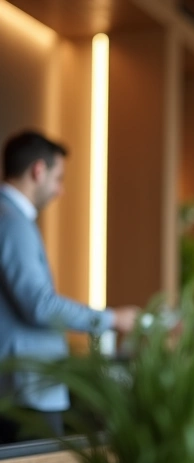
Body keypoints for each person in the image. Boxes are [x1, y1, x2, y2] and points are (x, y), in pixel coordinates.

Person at [0, 130, 140, 444]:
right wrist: (112, 319)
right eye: (58, 178)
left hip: (21, 389)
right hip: (27, 391)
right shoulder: (12, 222)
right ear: (38, 170)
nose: (60, 191)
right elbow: (39, 305)